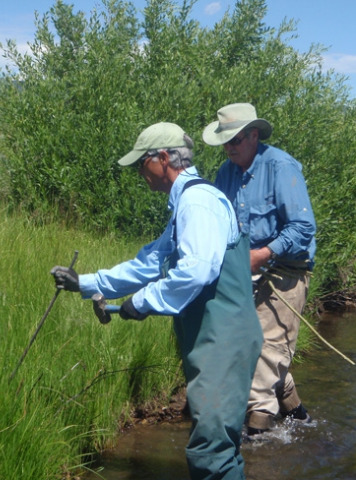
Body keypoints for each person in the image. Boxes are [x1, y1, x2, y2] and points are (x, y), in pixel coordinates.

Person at [51, 122, 263, 479]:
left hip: (224, 342)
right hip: (214, 340)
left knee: (212, 451)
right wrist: (84, 283)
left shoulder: (198, 202)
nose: (139, 173)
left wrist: (145, 302)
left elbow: (198, 270)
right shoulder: (187, 200)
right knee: (217, 442)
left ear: (163, 158)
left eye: (141, 164)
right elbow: (150, 262)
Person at [203, 103, 317, 438]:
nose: (230, 147)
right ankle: (298, 414)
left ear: (254, 135)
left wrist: (264, 254)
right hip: (246, 272)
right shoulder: (227, 172)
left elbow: (303, 227)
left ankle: (257, 434)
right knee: (245, 344)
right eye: (225, 141)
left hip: (286, 271)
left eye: (236, 139)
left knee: (266, 350)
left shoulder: (281, 167)